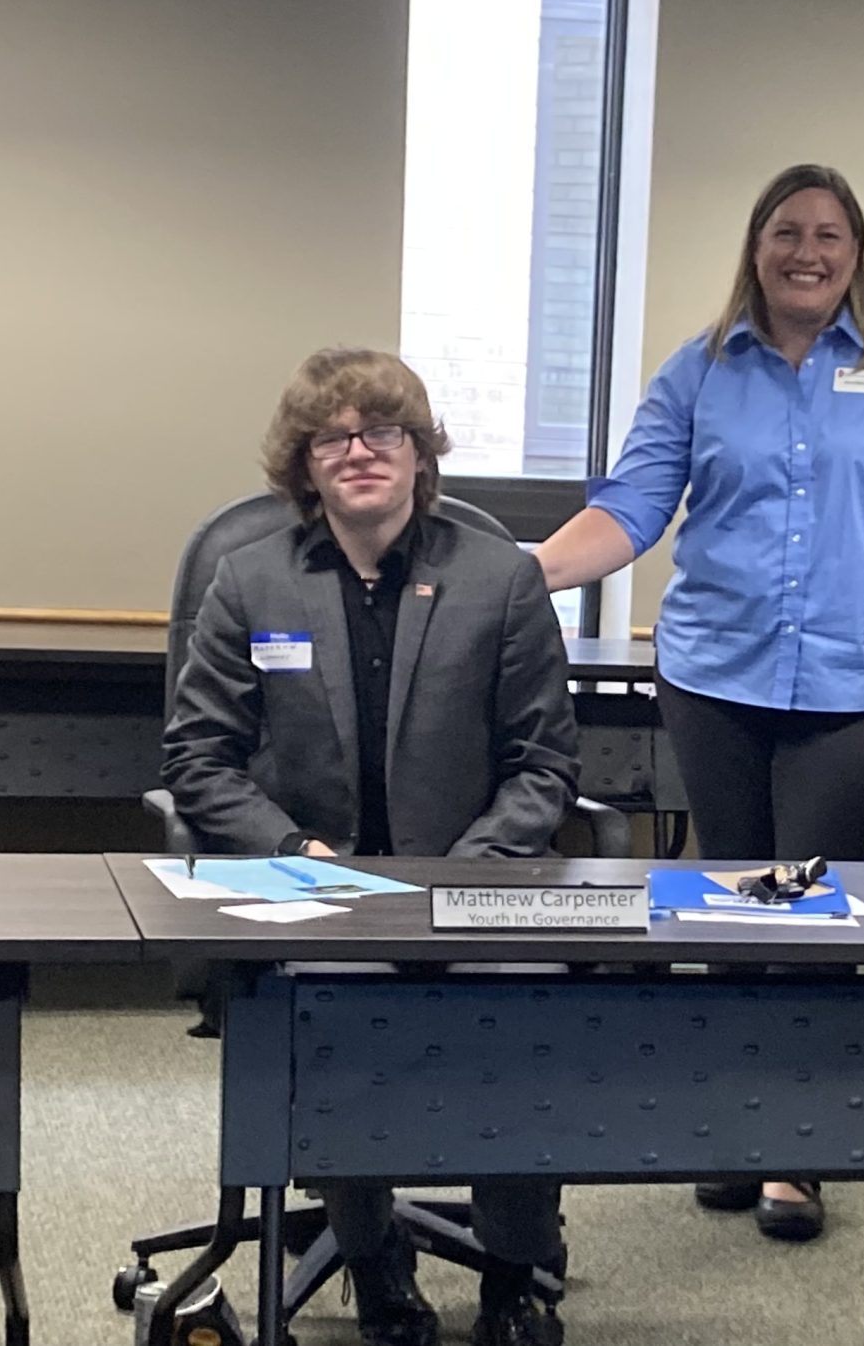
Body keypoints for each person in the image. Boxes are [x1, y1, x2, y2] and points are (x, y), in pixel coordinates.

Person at [534, 162, 864, 1240]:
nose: (807, 252)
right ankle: (733, 1121)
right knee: (731, 908)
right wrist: (524, 571)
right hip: (715, 676)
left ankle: (796, 1150)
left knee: (809, 912)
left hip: (857, 690)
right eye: (786, 232)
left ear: (857, 255)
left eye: (829, 236)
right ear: (755, 249)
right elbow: (630, 511)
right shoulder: (698, 371)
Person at [162, 347, 577, 1346]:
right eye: (332, 437)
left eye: (381, 432)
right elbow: (198, 757)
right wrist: (294, 849)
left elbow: (544, 764)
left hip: (471, 882)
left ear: (419, 452)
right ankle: (371, 1252)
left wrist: (463, 871)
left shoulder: (500, 579)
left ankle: (515, 1270)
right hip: (314, 886)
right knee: (333, 1000)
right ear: (303, 465)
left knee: (528, 1006)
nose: (359, 452)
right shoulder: (249, 581)